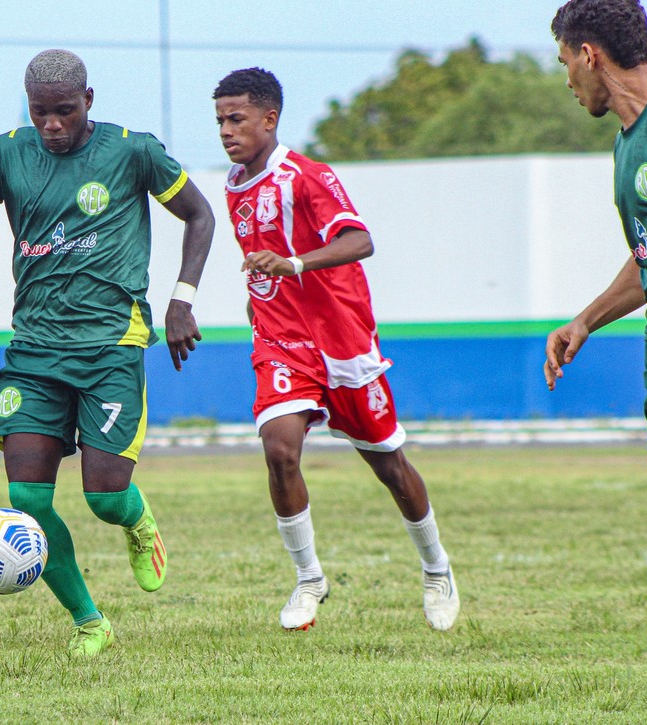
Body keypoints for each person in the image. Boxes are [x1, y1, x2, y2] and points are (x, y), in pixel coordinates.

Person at [0, 49, 214, 657]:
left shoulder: (133, 151)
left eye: (64, 112)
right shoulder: (4, 153)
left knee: (102, 497)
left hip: (110, 347)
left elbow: (199, 215)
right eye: (40, 112)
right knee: (27, 501)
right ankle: (89, 620)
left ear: (88, 102)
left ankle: (136, 520)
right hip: (34, 351)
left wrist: (182, 301)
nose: (51, 124)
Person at [212, 67, 460, 632]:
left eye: (237, 119)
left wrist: (295, 264)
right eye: (220, 120)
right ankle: (308, 579)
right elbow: (263, 255)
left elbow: (360, 241)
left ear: (270, 119)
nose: (226, 130)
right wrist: (261, 301)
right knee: (279, 449)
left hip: (343, 341)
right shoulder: (234, 186)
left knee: (390, 467)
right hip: (281, 341)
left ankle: (436, 568)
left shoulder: (308, 176)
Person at [545, 1, 647, 501]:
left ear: (588, 56)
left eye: (564, 64)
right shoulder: (626, 148)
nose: (567, 82)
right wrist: (586, 319)